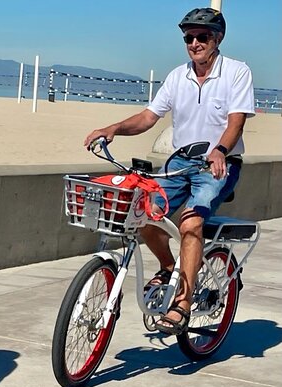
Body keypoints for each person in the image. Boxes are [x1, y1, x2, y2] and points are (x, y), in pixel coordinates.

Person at [83, 7, 255, 335]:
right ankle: (168, 266)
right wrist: (114, 128)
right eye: (189, 38)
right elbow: (149, 117)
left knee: (190, 223)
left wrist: (220, 149)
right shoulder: (178, 76)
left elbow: (236, 121)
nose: (194, 43)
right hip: (179, 164)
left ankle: (183, 303)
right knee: (143, 212)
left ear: (217, 39)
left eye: (202, 37)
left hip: (218, 165)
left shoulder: (236, 72)